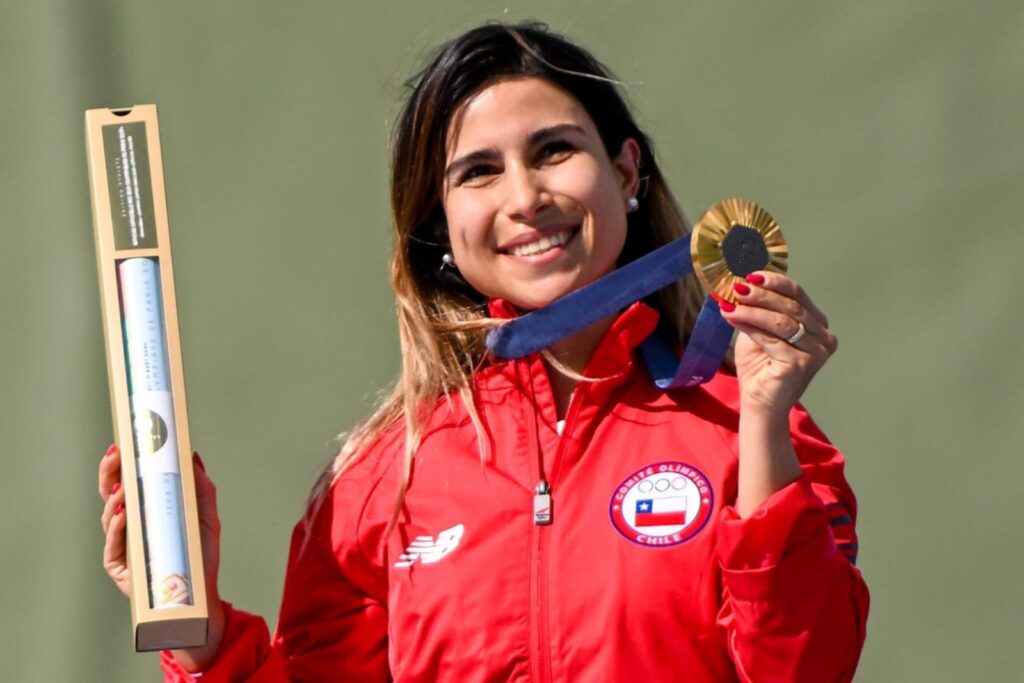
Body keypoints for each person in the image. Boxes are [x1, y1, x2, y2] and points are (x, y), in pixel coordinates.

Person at [98, 21, 869, 682]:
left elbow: (805, 666)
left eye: (554, 150)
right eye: (479, 172)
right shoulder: (381, 482)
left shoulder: (753, 437)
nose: (524, 196)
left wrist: (764, 425)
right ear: (440, 222)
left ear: (626, 169)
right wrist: (198, 637)